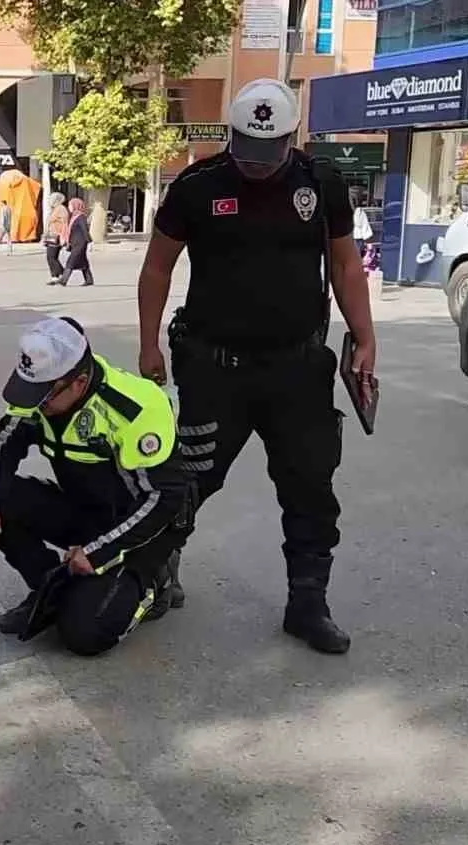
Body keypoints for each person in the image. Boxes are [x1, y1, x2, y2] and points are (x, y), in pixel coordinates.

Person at [136, 78, 376, 655]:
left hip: (298, 370)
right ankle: (154, 568)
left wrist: (365, 336)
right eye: (246, 150)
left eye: (270, 154)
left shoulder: (322, 185)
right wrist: (150, 347)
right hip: (215, 369)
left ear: (294, 138)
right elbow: (157, 270)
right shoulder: (197, 185)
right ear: (230, 135)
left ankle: (308, 601)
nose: (258, 166)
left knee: (310, 487)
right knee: (190, 480)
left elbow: (346, 267)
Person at [0, 317, 191, 656]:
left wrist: (99, 552)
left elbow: (164, 497)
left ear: (78, 382)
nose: (34, 404)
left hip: (143, 526)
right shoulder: (39, 394)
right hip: (86, 509)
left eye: (42, 396)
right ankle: (50, 588)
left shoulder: (133, 407)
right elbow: (3, 444)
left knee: (85, 635)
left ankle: (155, 583)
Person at [55, 197, 93, 286]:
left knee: (71, 261)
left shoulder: (81, 217)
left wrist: (89, 241)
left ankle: (64, 280)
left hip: (81, 243)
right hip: (75, 243)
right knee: (83, 262)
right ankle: (89, 279)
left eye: (71, 205)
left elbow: (84, 230)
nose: (69, 207)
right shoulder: (74, 217)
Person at [43, 193, 67, 283]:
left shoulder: (61, 209)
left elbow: (64, 223)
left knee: (51, 256)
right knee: (52, 257)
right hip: (51, 235)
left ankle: (63, 273)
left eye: (51, 199)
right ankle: (55, 276)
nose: (50, 201)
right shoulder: (55, 209)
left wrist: (62, 235)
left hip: (56, 236)